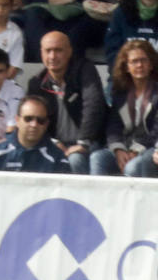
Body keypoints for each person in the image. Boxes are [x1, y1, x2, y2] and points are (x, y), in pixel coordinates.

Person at [28, 30, 107, 175]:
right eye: (48, 51)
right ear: (41, 53)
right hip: (55, 144)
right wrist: (53, 142)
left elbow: (94, 105)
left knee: (75, 159)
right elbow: (35, 120)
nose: (52, 56)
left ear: (69, 51)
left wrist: (83, 142)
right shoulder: (36, 83)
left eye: (58, 50)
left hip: (89, 142)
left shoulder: (85, 70)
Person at [91, 38, 158, 176]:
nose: (139, 65)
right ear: (126, 66)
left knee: (132, 167)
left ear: (151, 64)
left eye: (144, 60)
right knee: (97, 158)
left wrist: (136, 150)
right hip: (124, 147)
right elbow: (113, 126)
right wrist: (118, 149)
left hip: (149, 147)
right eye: (134, 61)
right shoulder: (119, 93)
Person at [0, 95, 71, 172]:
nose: (34, 124)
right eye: (28, 119)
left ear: (46, 124)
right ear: (17, 120)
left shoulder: (58, 158)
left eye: (40, 120)